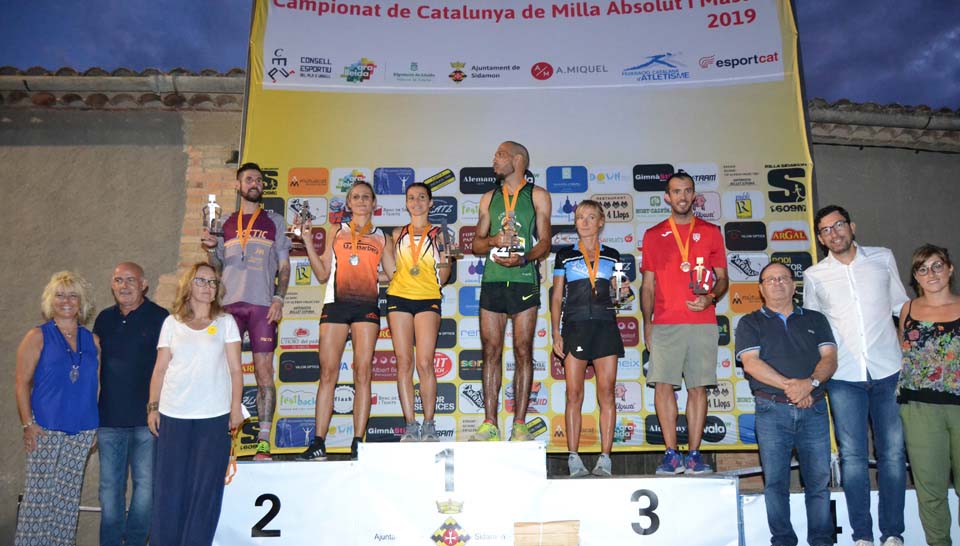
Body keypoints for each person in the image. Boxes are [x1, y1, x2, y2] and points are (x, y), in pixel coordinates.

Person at [803, 204, 908, 546]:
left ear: (852, 226)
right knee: (852, 459)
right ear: (821, 239)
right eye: (826, 230)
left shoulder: (883, 258)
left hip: (889, 371)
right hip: (844, 377)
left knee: (893, 455)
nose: (834, 233)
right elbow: (814, 329)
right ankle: (862, 535)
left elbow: (902, 308)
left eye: (838, 225)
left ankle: (892, 533)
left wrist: (910, 352)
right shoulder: (814, 276)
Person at [736, 262, 838, 546]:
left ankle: (821, 541)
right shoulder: (750, 322)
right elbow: (751, 364)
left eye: (783, 278)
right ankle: (782, 541)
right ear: (760, 289)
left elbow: (830, 359)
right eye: (770, 279)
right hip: (771, 410)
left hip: (814, 408)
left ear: (794, 286)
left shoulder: (816, 319)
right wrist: (794, 387)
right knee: (775, 484)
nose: (777, 283)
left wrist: (810, 384)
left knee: (818, 484)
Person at [147, 262, 243, 546]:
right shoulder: (171, 323)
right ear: (188, 285)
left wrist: (235, 408)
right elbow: (160, 369)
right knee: (169, 488)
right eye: (201, 281)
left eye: (213, 282)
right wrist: (153, 407)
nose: (208, 287)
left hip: (214, 417)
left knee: (205, 491)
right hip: (173, 415)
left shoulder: (226, 322)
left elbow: (236, 370)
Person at [201, 162, 291, 461]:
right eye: (249, 179)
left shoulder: (275, 221)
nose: (255, 184)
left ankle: (263, 441)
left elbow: (284, 266)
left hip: (262, 304)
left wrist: (279, 297)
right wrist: (210, 249)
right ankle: (226, 437)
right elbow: (217, 267)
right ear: (238, 185)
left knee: (264, 372)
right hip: (228, 306)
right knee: (225, 372)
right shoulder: (225, 222)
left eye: (260, 180)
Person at [299, 181, 395, 460]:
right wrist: (307, 242)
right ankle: (319, 442)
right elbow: (322, 273)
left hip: (366, 307)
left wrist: (370, 276)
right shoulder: (336, 231)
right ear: (349, 203)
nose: (361, 201)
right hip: (336, 305)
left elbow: (392, 274)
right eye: (356, 197)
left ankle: (357, 442)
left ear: (374, 203)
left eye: (366, 197)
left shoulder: (382, 237)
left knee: (362, 374)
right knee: (328, 374)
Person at [640, 170, 728, 474]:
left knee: (698, 388)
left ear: (694, 195)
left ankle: (694, 454)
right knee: (663, 386)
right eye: (676, 191)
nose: (682, 196)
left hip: (702, 321)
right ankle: (671, 454)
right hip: (665, 322)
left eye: (688, 190)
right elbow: (647, 285)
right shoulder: (653, 235)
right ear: (667, 197)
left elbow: (722, 278)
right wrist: (647, 323)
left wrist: (710, 298)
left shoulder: (711, 232)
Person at [469, 141, 552, 441]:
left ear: (518, 160)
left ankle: (519, 425)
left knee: (523, 350)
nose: (494, 159)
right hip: (493, 280)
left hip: (523, 279)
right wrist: (493, 240)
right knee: (490, 351)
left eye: (500, 155)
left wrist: (524, 258)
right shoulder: (489, 197)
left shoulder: (538, 195)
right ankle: (490, 424)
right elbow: (476, 244)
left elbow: (545, 242)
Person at [14, 271, 99, 546]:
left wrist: (95, 426)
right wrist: (28, 424)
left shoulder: (93, 341)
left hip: (83, 430)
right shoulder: (37, 336)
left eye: (73, 296)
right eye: (60, 295)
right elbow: (21, 383)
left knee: (67, 500)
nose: (66, 301)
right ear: (51, 300)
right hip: (44, 428)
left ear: (81, 302)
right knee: (38, 499)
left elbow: (96, 386)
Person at [550, 200, 627, 477]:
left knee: (607, 393)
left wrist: (623, 292)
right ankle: (573, 458)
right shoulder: (565, 255)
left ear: (601, 222)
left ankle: (605, 459)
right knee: (574, 394)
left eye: (590, 217)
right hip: (575, 327)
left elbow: (619, 296)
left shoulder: (613, 256)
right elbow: (556, 297)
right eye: (580, 217)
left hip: (605, 327)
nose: (584, 222)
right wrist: (556, 332)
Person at [94, 262, 168, 546]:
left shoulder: (161, 318)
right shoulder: (104, 319)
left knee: (146, 489)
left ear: (144, 284)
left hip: (147, 422)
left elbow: (168, 368)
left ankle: (136, 542)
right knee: (109, 491)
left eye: (130, 280)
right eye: (118, 280)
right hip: (109, 420)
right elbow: (95, 368)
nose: (123, 286)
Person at [897, 244, 960, 546]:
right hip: (919, 409)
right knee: (930, 490)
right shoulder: (908, 310)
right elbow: (904, 353)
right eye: (922, 269)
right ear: (915, 277)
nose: (931, 274)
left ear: (950, 269)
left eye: (937, 266)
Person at [386, 183, 455, 442]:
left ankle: (428, 424)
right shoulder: (396, 234)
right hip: (398, 298)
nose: (416, 202)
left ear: (430, 203)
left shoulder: (442, 234)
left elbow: (445, 275)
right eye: (411, 198)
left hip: (427, 298)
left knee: (425, 363)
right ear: (406, 203)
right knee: (404, 362)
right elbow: (391, 271)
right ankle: (410, 426)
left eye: (422, 197)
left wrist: (445, 259)